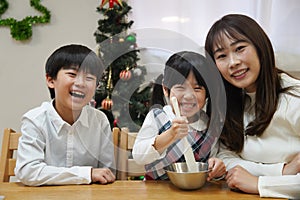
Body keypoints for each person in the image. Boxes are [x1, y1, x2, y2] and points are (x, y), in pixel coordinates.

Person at [205, 14, 300, 198]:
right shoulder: (226, 104)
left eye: (240, 48)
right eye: (222, 56)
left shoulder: (294, 96)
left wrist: (259, 183)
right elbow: (225, 158)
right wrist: (283, 171)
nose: (233, 63)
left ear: (259, 47)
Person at [15, 44, 116, 186]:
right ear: (51, 80)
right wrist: (87, 174)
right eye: (72, 74)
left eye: (89, 78)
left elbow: (107, 173)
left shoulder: (99, 120)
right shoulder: (35, 120)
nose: (81, 83)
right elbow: (28, 171)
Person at [132, 51, 226, 180]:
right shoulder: (158, 117)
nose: (188, 96)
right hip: (155, 191)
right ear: (166, 89)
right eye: (181, 88)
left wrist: (216, 167)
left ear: (207, 93)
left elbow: (214, 162)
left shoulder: (209, 124)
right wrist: (170, 135)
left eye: (197, 88)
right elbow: (139, 156)